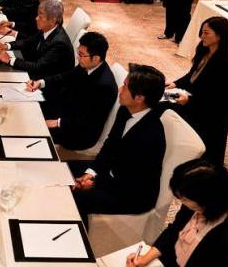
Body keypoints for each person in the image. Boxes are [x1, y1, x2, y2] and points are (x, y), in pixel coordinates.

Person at [68, 64, 166, 225]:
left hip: (131, 194)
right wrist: (91, 173)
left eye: (125, 87)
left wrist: (94, 184)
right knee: (64, 168)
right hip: (112, 174)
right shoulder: (126, 110)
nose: (120, 90)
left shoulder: (150, 136)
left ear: (140, 98)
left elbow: (131, 181)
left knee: (77, 196)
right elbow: (109, 146)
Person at [126, 159, 228, 267]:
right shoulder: (194, 207)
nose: (180, 201)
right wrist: (145, 258)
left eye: (184, 199)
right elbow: (174, 230)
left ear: (206, 200)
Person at [164, 17, 228, 164]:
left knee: (163, 107)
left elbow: (217, 98)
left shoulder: (227, 64)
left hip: (205, 109)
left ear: (219, 35)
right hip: (191, 97)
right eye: (202, 32)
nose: (201, 36)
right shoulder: (204, 50)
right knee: (159, 97)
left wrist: (189, 101)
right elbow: (192, 75)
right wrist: (175, 83)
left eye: (206, 33)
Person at [26, 32, 118, 150]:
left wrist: (57, 122)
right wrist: (41, 82)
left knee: (31, 128)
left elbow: (89, 121)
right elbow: (65, 77)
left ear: (96, 58)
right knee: (29, 109)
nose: (78, 58)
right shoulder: (87, 65)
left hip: (78, 133)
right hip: (66, 111)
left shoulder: (104, 86)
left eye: (81, 54)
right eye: (78, 53)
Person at [0, 0, 74, 80]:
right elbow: (28, 42)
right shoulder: (47, 28)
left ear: (52, 21)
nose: (36, 18)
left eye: (40, 16)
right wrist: (7, 46)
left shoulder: (59, 43)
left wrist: (9, 60)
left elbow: (38, 67)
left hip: (48, 83)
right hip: (38, 71)